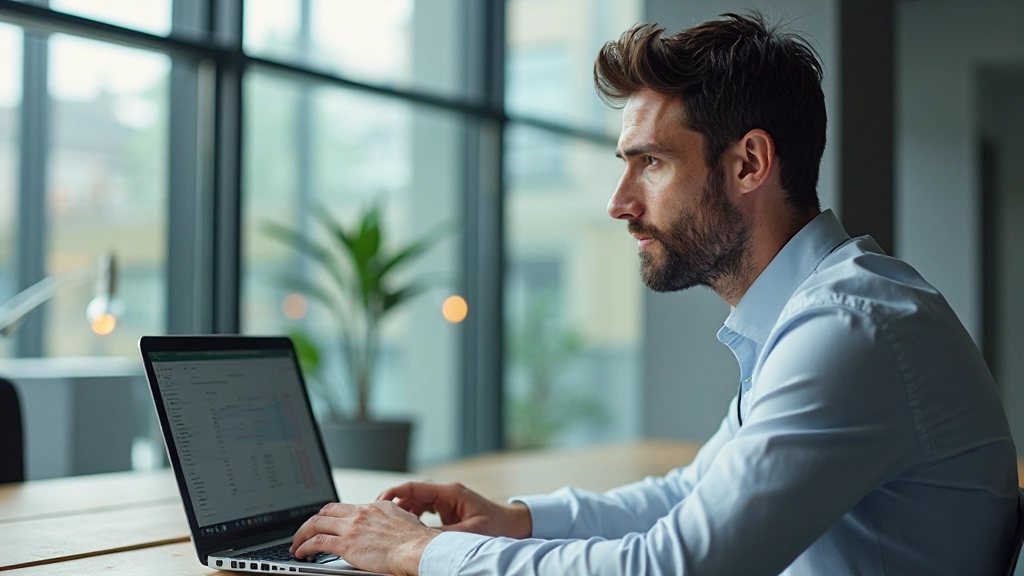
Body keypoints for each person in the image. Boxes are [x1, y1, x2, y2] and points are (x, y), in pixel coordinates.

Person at [289, 12, 1018, 576]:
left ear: (749, 163)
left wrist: (420, 552)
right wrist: (516, 520)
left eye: (652, 163)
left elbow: (676, 566)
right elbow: (691, 496)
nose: (619, 202)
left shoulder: (849, 330)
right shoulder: (816, 313)